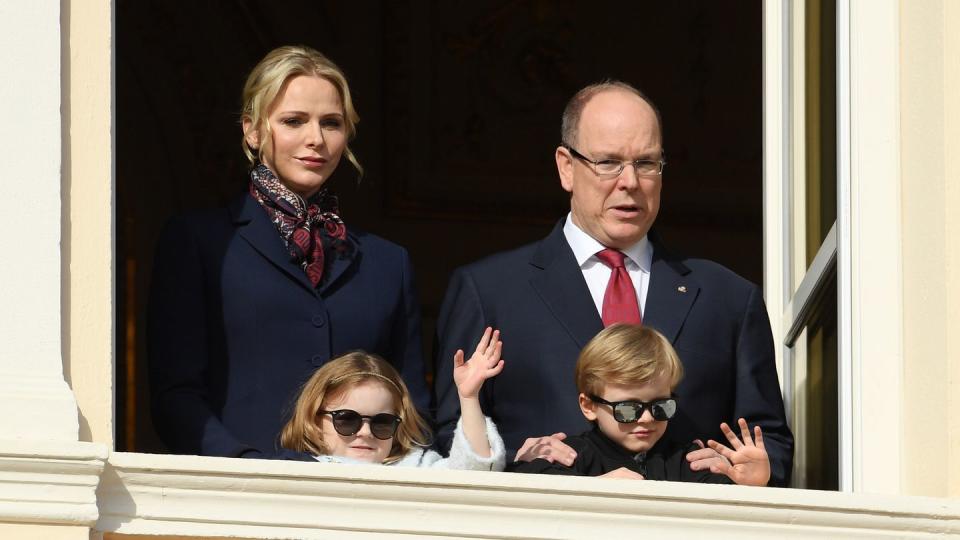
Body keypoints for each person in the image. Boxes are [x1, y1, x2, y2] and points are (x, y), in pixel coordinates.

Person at [434, 80, 794, 486]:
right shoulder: (489, 289)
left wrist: (751, 472)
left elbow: (771, 446)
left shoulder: (727, 297)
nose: (630, 182)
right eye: (608, 162)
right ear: (566, 167)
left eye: (646, 163)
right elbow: (448, 438)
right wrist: (521, 460)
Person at [148, 45, 429, 459]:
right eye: (294, 121)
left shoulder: (388, 264)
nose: (316, 139)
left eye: (331, 123)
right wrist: (246, 469)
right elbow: (176, 396)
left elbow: (413, 407)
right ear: (253, 130)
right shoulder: (199, 241)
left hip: (360, 505)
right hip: (237, 498)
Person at [510, 324, 770, 485]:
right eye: (628, 409)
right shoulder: (572, 455)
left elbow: (724, 510)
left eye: (660, 407)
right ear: (588, 405)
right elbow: (525, 487)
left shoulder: (687, 459)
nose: (646, 419)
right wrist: (594, 488)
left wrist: (751, 485)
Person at [281, 328, 505, 470]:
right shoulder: (295, 471)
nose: (366, 433)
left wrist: (468, 398)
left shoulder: (416, 469)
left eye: (382, 423)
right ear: (315, 420)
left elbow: (473, 473)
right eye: (347, 420)